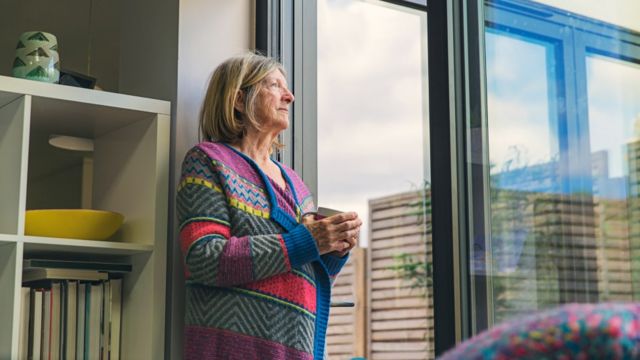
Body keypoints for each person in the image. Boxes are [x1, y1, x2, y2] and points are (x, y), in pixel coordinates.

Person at [177, 52, 362, 360]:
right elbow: (204, 259)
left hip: (294, 349)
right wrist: (309, 240)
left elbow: (304, 273)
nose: (289, 96)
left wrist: (334, 247)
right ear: (239, 99)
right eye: (275, 85)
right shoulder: (208, 160)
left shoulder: (295, 183)